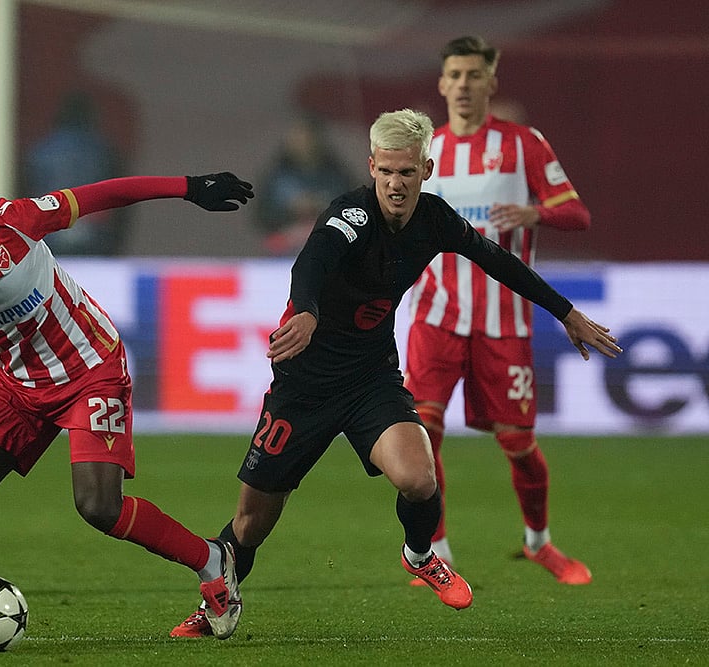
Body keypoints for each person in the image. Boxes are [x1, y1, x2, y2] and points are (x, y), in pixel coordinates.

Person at [169, 108, 620, 637]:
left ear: (424, 171)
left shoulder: (435, 219)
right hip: (304, 387)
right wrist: (308, 310)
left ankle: (419, 553)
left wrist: (565, 313)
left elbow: (496, 258)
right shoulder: (350, 216)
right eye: (385, 172)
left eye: (406, 172)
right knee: (250, 524)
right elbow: (310, 262)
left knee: (419, 477)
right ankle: (217, 606)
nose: (395, 183)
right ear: (372, 168)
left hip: (371, 380)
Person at [0, 90, 253, 640]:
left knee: (98, 507)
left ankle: (211, 561)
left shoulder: (11, 225)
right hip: (18, 384)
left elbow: (105, 194)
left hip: (91, 368)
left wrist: (188, 187)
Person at [403, 36, 594, 584]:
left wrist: (534, 213)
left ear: (491, 81)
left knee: (518, 443)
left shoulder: (521, 144)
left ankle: (539, 542)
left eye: (473, 75)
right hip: (435, 313)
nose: (463, 85)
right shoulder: (425, 151)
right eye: (454, 75)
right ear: (441, 84)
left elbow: (577, 214)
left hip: (503, 318)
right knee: (422, 434)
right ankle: (434, 550)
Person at [21, 90, 130, 255]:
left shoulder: (40, 151)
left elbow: (26, 195)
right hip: (96, 236)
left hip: (51, 233)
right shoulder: (104, 151)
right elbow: (122, 198)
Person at [255, 114, 352, 255]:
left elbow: (353, 211)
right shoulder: (276, 176)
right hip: (283, 254)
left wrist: (323, 207)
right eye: (297, 137)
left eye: (307, 138)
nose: (302, 143)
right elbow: (262, 215)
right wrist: (291, 209)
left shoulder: (336, 175)